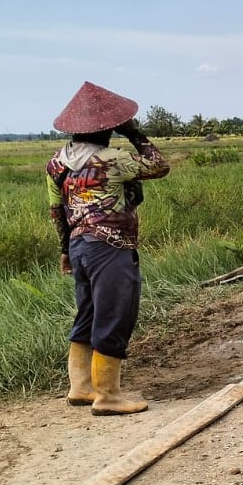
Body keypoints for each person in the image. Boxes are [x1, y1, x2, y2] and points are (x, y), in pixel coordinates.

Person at [46, 81, 170, 416]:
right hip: (110, 247)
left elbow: (57, 210)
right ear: (108, 128)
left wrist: (65, 250)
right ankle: (108, 395)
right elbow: (159, 165)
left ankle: (81, 387)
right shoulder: (114, 159)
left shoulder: (56, 163)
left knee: (87, 312)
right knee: (115, 312)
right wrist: (134, 133)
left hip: (79, 246)